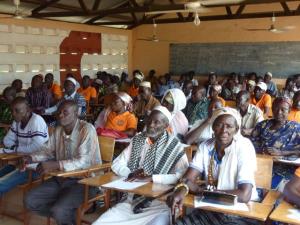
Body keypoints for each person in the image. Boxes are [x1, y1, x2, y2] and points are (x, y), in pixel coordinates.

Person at [92, 106, 189, 225]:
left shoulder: (174, 146)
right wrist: (130, 173)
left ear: (165, 126)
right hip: (130, 202)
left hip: (159, 204)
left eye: (156, 122)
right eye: (149, 120)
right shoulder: (138, 139)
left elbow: (183, 176)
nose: (151, 125)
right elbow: (117, 163)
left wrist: (153, 178)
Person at [168, 107, 259, 225]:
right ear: (212, 127)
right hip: (211, 209)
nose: (223, 130)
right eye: (219, 125)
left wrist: (201, 191)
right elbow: (187, 179)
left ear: (236, 130)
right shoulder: (206, 146)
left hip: (240, 212)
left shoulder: (244, 147)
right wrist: (181, 190)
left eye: (229, 126)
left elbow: (244, 195)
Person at [24, 100, 102, 225]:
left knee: (60, 210)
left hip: (85, 182)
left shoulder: (87, 129)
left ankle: (63, 212)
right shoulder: (58, 130)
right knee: (30, 200)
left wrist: (55, 165)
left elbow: (84, 161)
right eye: (59, 112)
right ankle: (66, 214)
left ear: (76, 113)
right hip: (61, 179)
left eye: (65, 112)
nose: (60, 115)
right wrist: (31, 158)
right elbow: (47, 151)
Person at [0, 97, 48, 196]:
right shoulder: (17, 122)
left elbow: (37, 147)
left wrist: (15, 150)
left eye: (17, 110)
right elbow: (7, 140)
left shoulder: (36, 121)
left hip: (35, 166)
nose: (13, 114)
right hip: (19, 162)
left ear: (28, 109)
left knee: (1, 185)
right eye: (12, 110)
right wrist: (18, 150)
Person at [250, 97, 300, 189]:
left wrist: (282, 153)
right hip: (260, 166)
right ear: (272, 109)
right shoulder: (263, 125)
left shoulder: (296, 128)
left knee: (274, 190)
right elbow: (249, 144)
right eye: (276, 108)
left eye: (283, 109)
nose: (279, 112)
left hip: (284, 170)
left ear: (289, 111)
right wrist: (262, 150)